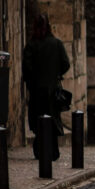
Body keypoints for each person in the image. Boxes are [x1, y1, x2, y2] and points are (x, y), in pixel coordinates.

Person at [22, 13, 70, 161]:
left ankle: (40, 150)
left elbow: (26, 69)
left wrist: (32, 83)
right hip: (52, 91)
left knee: (38, 122)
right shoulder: (56, 44)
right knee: (53, 120)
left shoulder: (31, 45)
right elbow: (65, 64)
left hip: (37, 91)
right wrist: (56, 74)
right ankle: (53, 151)